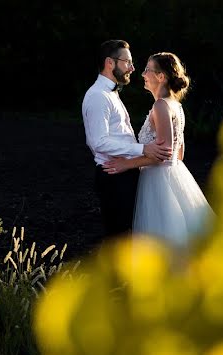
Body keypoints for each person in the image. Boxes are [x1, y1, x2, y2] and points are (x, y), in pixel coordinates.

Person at [103, 52, 214, 249]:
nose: (143, 74)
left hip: (158, 182)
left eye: (147, 70)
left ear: (161, 77)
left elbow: (164, 154)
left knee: (162, 244)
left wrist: (126, 164)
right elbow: (178, 154)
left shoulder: (161, 106)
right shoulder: (176, 106)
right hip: (176, 176)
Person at [82, 40, 172, 239]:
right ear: (110, 63)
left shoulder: (110, 93)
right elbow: (98, 142)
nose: (132, 68)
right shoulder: (98, 96)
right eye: (127, 62)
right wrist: (142, 150)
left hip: (123, 171)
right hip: (114, 175)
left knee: (128, 237)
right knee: (119, 239)